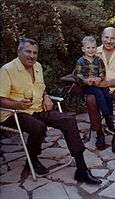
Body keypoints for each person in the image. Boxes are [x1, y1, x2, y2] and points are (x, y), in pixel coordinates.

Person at [0, 38, 101, 184]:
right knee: (38, 127)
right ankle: (32, 159)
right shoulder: (7, 70)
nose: (32, 56)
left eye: (35, 53)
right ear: (19, 51)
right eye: (28, 51)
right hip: (13, 113)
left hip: (37, 108)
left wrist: (46, 96)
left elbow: (40, 87)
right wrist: (17, 104)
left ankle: (82, 169)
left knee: (69, 120)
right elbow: (1, 98)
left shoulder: (37, 66)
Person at [74, 36, 114, 149]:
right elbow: (78, 75)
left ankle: (109, 118)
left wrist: (99, 79)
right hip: (87, 86)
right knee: (98, 94)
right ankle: (106, 117)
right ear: (83, 49)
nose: (91, 50)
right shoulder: (80, 61)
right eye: (88, 48)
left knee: (107, 94)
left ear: (96, 48)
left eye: (93, 47)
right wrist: (86, 80)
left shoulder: (98, 60)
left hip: (97, 84)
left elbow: (102, 72)